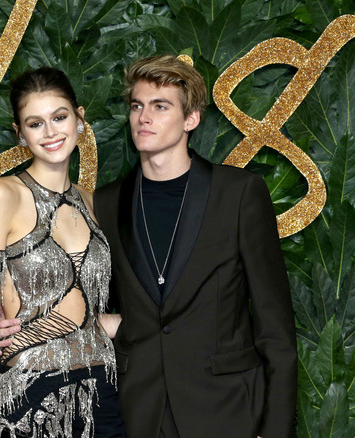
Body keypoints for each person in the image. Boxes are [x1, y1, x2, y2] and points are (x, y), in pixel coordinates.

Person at [92, 55, 297, 438]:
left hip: (227, 409)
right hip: (139, 411)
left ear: (191, 119)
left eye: (160, 106)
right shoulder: (106, 202)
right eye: (137, 106)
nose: (144, 117)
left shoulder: (239, 194)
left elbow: (277, 332)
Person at [0, 67, 125, 438]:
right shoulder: (3, 194)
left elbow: (93, 312)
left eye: (59, 117)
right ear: (19, 134)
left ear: (80, 119)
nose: (51, 132)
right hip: (28, 400)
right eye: (35, 123)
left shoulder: (92, 202)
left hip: (102, 392)